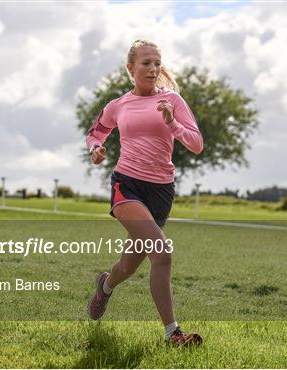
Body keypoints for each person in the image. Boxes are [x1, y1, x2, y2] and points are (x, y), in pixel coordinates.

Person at [85, 39, 204, 346]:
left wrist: (173, 123)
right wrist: (96, 148)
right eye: (146, 63)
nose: (153, 69)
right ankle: (173, 334)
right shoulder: (118, 105)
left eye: (157, 63)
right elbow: (96, 132)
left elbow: (196, 144)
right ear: (131, 68)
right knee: (162, 253)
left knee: (128, 265)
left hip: (161, 192)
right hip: (127, 185)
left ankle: (106, 285)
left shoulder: (173, 101)